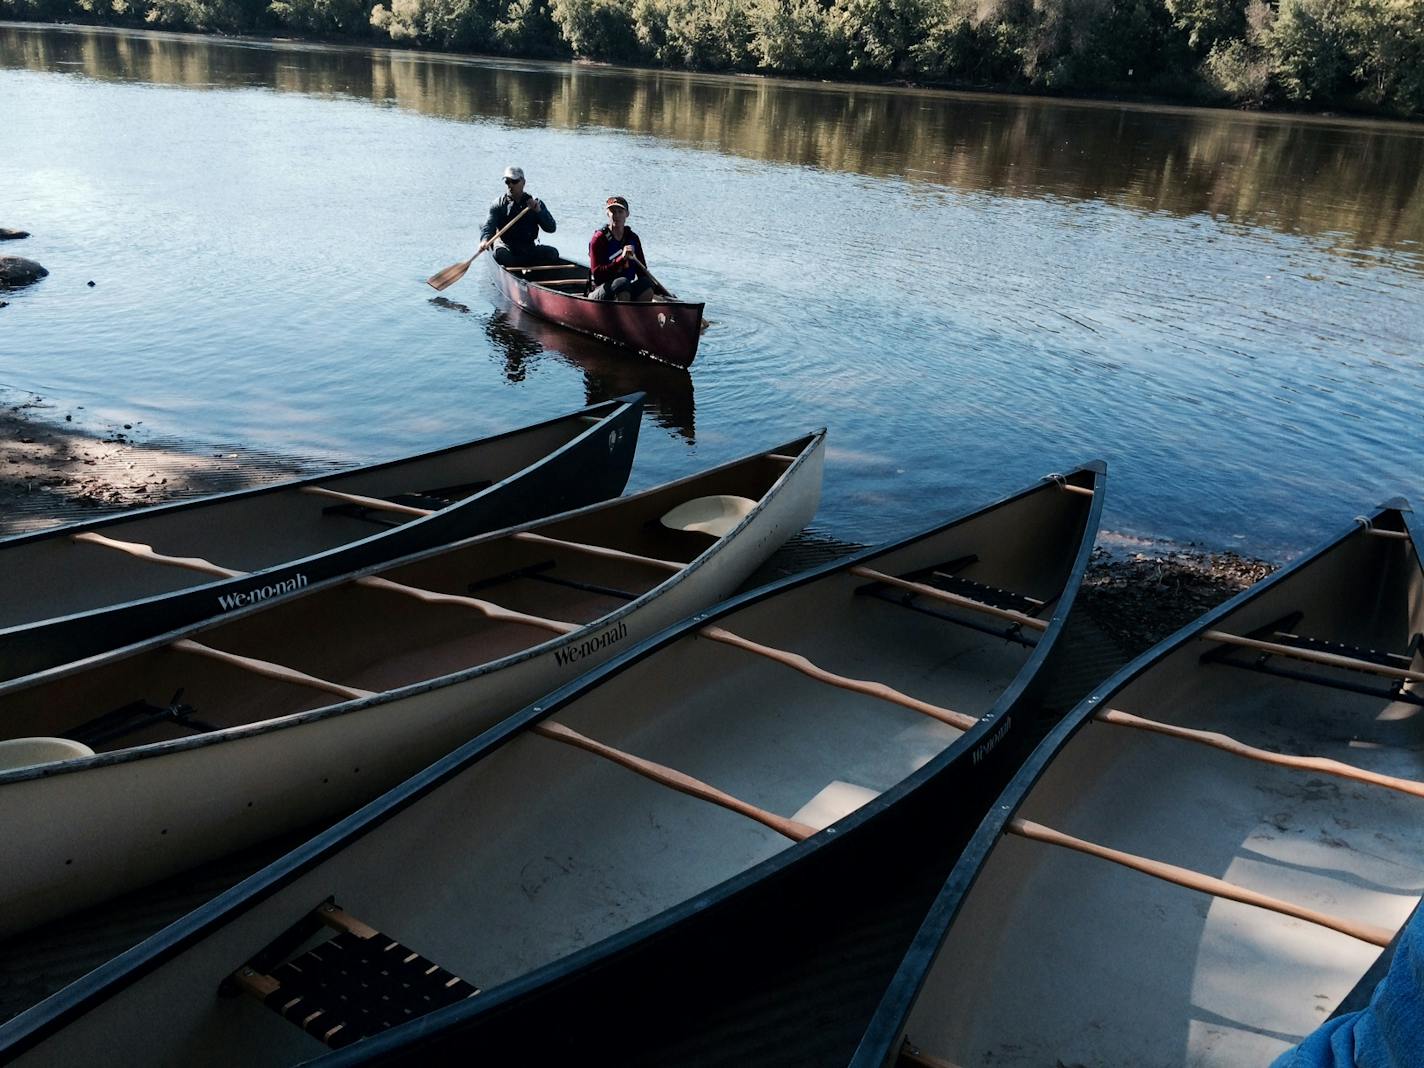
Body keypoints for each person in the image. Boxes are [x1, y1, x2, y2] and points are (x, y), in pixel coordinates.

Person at [480, 166, 558, 268]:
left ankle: (533, 274)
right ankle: (516, 272)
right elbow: (488, 227)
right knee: (501, 255)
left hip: (528, 249)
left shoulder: (535, 203)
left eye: (514, 181)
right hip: (507, 248)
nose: (510, 185)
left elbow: (551, 228)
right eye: (507, 182)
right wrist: (484, 240)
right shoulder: (498, 204)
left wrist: (539, 211)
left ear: (523, 182)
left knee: (553, 253)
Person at [588, 195, 661, 302]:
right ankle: (626, 316)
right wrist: (621, 260)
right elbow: (598, 276)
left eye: (620, 211)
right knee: (622, 283)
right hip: (602, 291)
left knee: (646, 283)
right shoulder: (599, 239)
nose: (616, 215)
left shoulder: (633, 238)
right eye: (613, 211)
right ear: (608, 213)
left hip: (625, 289)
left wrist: (660, 292)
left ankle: (638, 315)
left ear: (627, 214)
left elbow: (642, 273)